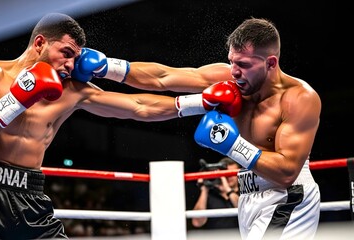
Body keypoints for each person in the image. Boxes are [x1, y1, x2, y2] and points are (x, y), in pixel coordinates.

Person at [0, 13, 241, 239]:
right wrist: (18, 98)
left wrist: (201, 102)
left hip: (29, 199)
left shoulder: (73, 90)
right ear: (40, 43)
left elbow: (140, 107)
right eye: (66, 54)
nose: (71, 65)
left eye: (76, 58)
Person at [73, 17, 322, 240]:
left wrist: (232, 144)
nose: (234, 72)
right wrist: (107, 68)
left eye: (244, 64)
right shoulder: (230, 78)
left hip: (287, 196)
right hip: (248, 196)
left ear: (270, 63)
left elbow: (287, 172)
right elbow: (164, 77)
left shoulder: (299, 99)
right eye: (232, 62)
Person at [192, 157, 240, 229]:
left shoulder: (244, 193)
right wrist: (204, 189)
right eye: (226, 174)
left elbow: (245, 211)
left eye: (232, 173)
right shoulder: (209, 195)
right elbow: (197, 222)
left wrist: (228, 190)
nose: (229, 177)